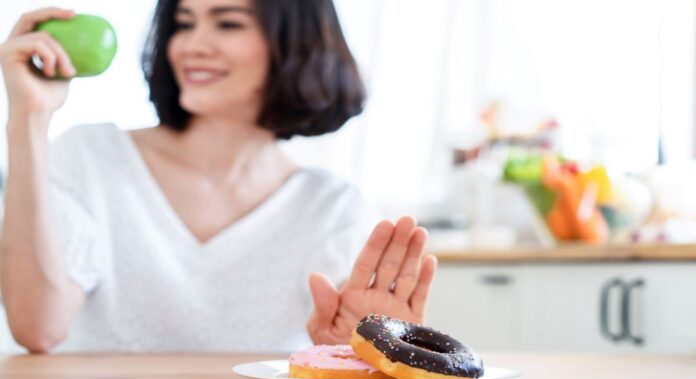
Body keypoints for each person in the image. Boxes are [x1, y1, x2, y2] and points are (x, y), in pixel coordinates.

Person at [0, 0, 437, 353]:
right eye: (185, 22)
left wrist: (355, 350)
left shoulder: (333, 207)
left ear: (295, 43)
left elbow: (348, 347)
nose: (192, 44)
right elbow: (38, 329)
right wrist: (27, 119)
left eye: (227, 23)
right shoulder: (92, 156)